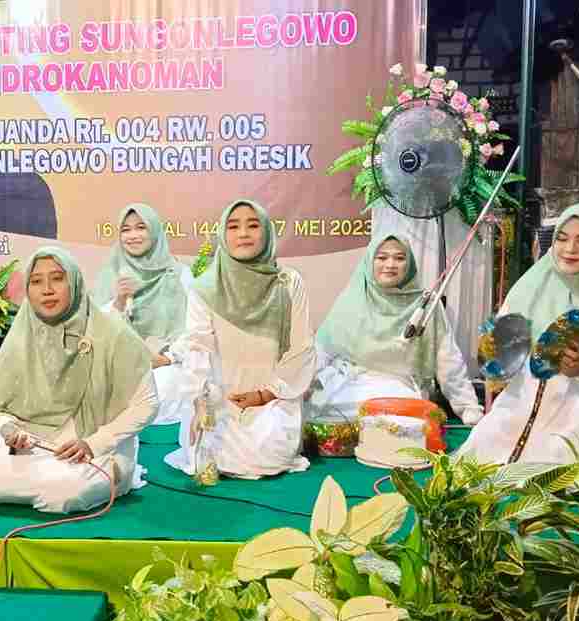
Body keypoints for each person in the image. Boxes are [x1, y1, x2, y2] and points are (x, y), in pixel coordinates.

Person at [0, 247, 157, 514]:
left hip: (97, 447)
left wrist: (95, 442)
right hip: (36, 442)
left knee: (63, 493)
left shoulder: (113, 332)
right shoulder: (23, 334)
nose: (47, 290)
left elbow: (146, 404)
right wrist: (8, 430)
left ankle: (108, 475)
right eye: (36, 281)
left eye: (57, 278)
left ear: (74, 282)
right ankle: (30, 478)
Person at [454, 203, 579, 488]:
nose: (570, 249)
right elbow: (507, 336)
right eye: (562, 238)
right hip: (526, 395)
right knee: (487, 442)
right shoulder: (533, 282)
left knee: (558, 460)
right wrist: (495, 350)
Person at [163, 200, 315, 479]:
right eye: (233, 226)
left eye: (253, 225)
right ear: (223, 234)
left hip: (272, 397)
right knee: (208, 457)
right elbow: (198, 347)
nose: (243, 233)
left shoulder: (288, 283)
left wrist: (264, 395)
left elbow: (301, 349)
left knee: (266, 457)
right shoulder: (205, 287)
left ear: (267, 233)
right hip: (221, 400)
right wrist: (199, 403)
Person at [305, 233, 483, 425]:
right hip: (349, 385)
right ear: (369, 262)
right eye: (381, 258)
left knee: (404, 417)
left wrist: (468, 407)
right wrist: (303, 385)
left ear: (410, 264)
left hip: (400, 389)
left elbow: (449, 360)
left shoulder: (427, 306)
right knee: (314, 406)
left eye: (399, 258)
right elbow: (322, 352)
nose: (390, 265)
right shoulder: (352, 300)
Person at [90, 203, 193, 425]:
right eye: (125, 229)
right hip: (119, 362)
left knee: (160, 388)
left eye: (141, 227)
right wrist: (118, 300)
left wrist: (167, 358)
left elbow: (195, 329)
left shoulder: (179, 274)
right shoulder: (111, 272)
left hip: (165, 363)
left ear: (154, 231)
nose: (133, 236)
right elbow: (95, 328)